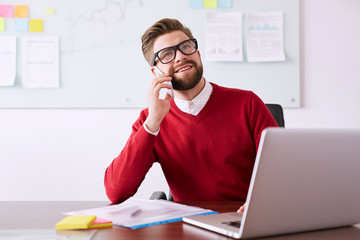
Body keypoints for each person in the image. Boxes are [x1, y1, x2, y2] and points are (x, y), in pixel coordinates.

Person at [104, 18, 278, 205]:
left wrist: (261, 203)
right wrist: (153, 121)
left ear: (198, 54)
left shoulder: (248, 103)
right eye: (167, 54)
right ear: (156, 73)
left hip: (245, 221)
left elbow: (283, 170)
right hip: (187, 227)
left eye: (186, 47)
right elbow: (116, 191)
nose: (180, 56)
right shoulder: (151, 119)